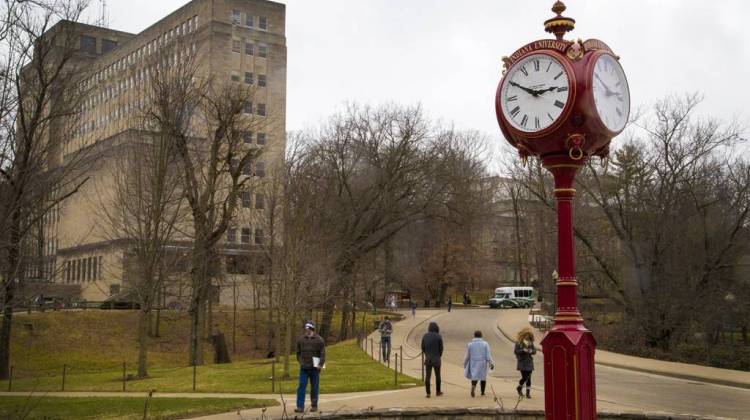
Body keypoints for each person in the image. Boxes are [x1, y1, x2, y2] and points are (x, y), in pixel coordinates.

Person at [295, 322, 325, 413]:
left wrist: (320, 364)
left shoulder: (319, 340)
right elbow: (298, 353)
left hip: (315, 368)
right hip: (304, 368)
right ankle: (300, 407)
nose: (307, 330)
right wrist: (301, 362)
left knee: (314, 387)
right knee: (301, 386)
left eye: (309, 328)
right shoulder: (300, 340)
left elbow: (323, 354)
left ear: (312, 329)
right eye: (306, 329)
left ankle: (314, 406)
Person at [464, 330, 494, 397]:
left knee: (474, 376)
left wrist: (465, 363)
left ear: (474, 336)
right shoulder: (485, 344)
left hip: (473, 362)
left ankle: (473, 386)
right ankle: (482, 392)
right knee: (483, 378)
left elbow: (467, 356)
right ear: (481, 336)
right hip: (482, 363)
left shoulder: (470, 344)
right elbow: (488, 355)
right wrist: (491, 363)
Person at [421, 321, 444, 398]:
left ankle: (428, 393)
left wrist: (426, 354)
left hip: (428, 358)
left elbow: (422, 347)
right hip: (436, 358)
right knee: (438, 376)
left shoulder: (425, 336)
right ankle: (438, 391)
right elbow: (441, 348)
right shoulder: (438, 336)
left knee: (428, 376)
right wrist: (439, 355)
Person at [514, 327, 536, 399]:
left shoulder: (530, 342)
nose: (527, 336)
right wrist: (523, 350)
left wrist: (531, 351)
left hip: (529, 361)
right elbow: (516, 351)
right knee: (524, 377)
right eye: (526, 335)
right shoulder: (518, 342)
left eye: (529, 335)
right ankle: (519, 388)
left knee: (529, 378)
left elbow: (534, 351)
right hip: (522, 362)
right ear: (523, 335)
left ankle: (528, 393)